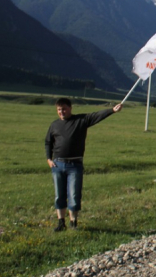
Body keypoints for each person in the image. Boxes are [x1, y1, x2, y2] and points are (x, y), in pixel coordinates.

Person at [45, 98, 123, 231]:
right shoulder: (54, 125)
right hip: (58, 165)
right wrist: (48, 159)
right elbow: (48, 142)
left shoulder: (80, 121)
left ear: (70, 108)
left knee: (74, 194)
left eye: (64, 109)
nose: (61, 112)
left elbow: (96, 116)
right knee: (59, 194)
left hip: (75, 165)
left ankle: (73, 223)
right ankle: (60, 223)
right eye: (59, 109)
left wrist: (112, 110)